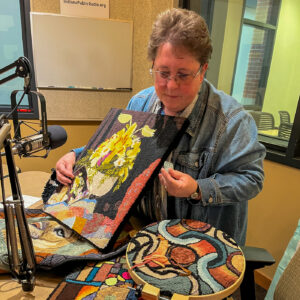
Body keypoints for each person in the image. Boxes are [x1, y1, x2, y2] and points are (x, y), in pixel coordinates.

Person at [55, 8, 265, 246]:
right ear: (153, 64)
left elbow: (251, 179)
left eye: (183, 75)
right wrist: (77, 155)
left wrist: (198, 189)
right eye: (162, 73)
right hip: (141, 234)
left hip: (197, 245)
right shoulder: (140, 103)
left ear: (202, 70)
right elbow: (115, 149)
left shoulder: (233, 121)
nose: (171, 86)